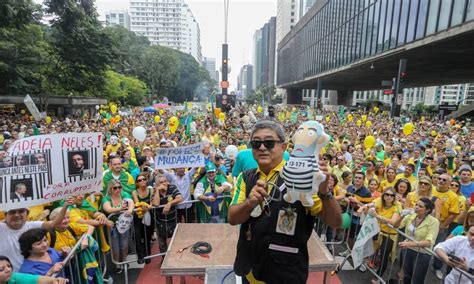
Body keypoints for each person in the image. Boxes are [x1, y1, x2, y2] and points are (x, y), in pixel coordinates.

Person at [228, 120, 341, 283]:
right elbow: (232, 218)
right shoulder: (246, 177)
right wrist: (249, 203)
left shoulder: (303, 177)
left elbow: (335, 221)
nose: (262, 147)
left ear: (284, 147)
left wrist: (324, 192)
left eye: (269, 143)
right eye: (256, 143)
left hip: (286, 274)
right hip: (251, 272)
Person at [0, 199, 73, 272]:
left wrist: (65, 206)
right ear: (6, 215)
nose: (16, 215)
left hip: (32, 274)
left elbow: (53, 224)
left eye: (21, 211)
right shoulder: (1, 228)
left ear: (27, 214)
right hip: (7, 276)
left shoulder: (32, 225)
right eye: (12, 212)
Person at [397, 198, 439, 284]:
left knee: (417, 279)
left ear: (427, 210)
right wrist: (401, 215)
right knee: (406, 276)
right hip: (407, 249)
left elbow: (429, 242)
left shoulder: (433, 222)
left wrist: (410, 244)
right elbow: (396, 226)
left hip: (422, 253)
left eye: (420, 206)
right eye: (416, 204)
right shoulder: (411, 216)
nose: (416, 207)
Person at [101, 180, 134, 274]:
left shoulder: (124, 194)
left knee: (124, 244)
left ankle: (124, 261)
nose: (118, 189)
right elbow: (107, 209)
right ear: (110, 189)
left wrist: (130, 210)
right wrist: (120, 209)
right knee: (115, 247)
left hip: (125, 225)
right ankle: (117, 265)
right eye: (115, 188)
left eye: (119, 187)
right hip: (113, 227)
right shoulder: (106, 198)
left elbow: (131, 202)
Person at [151, 174, 183, 258]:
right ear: (157, 184)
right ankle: (164, 259)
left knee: (176, 241)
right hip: (160, 222)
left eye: (165, 181)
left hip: (173, 220)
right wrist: (157, 191)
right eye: (161, 182)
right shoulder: (154, 191)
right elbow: (156, 204)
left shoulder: (172, 187)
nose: (164, 183)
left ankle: (176, 257)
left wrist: (170, 203)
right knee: (162, 244)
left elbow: (180, 198)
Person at [131, 173, 154, 264]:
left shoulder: (150, 189)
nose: (142, 181)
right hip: (138, 216)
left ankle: (148, 254)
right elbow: (137, 203)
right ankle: (140, 256)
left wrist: (148, 207)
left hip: (149, 215)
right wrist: (145, 207)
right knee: (137, 236)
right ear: (137, 183)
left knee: (147, 235)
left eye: (144, 179)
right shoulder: (135, 192)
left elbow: (152, 202)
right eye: (140, 180)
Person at [0, 255, 68, 284]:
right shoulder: (26, 267)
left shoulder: (13, 277)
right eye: (1, 269)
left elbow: (35, 279)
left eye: (9, 266)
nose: (8, 270)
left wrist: (54, 280)